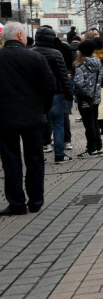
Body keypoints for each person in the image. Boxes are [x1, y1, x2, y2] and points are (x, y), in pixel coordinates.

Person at [0, 22, 57, 215]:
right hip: (33, 116)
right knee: (34, 159)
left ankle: (16, 203)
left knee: (10, 161)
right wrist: (43, 109)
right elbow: (49, 86)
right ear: (20, 36)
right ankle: (36, 201)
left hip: (5, 118)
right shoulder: (35, 57)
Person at [33, 26, 74, 163]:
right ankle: (59, 155)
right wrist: (69, 94)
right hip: (56, 92)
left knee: (37, 125)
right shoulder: (56, 53)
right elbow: (63, 75)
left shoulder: (30, 52)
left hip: (36, 94)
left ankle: (39, 156)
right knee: (58, 123)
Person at [72, 40, 103, 158]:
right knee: (94, 122)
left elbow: (78, 83)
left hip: (85, 98)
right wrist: (97, 87)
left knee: (88, 124)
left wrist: (76, 92)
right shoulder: (98, 63)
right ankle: (98, 147)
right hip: (95, 97)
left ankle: (91, 149)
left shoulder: (80, 64)